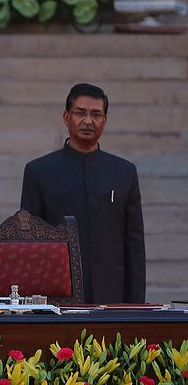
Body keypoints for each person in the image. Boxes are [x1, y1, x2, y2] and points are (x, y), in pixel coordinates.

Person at [20, 83, 145, 304]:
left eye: (96, 114)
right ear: (66, 117)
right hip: (58, 299)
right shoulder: (39, 171)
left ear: (104, 121)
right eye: (80, 113)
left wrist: (135, 306)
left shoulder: (124, 172)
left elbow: (134, 246)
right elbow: (29, 242)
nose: (88, 121)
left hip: (112, 296)